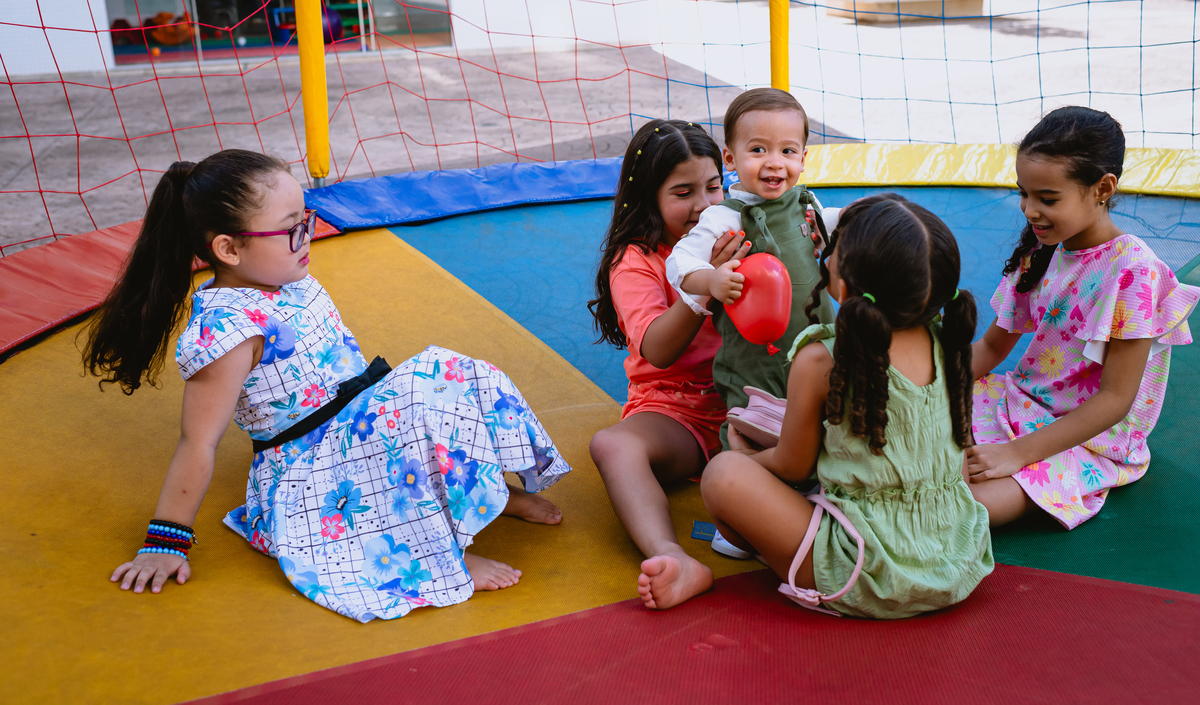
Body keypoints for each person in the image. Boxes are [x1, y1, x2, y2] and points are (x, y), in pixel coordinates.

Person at [85, 149, 571, 623]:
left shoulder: (285, 278)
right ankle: (437, 559)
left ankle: (489, 494)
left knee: (451, 371)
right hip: (310, 470)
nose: (306, 237)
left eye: (307, 221)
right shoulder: (229, 330)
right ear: (229, 249)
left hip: (352, 430)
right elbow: (198, 440)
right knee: (425, 384)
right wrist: (165, 542)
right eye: (291, 229)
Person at [699, 194, 994, 618]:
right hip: (956, 558)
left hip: (864, 571)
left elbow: (793, 467)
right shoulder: (948, 342)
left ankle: (796, 567)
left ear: (843, 284)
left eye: (833, 246)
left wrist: (750, 458)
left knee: (723, 475)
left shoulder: (821, 357)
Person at [967, 107, 1198, 528]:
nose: (1030, 210)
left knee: (967, 505)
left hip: (1088, 440)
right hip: (1020, 402)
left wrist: (1016, 454)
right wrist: (918, 385)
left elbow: (1115, 400)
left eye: (1048, 199)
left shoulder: (1132, 271)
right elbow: (990, 347)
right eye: (1024, 193)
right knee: (911, 428)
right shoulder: (1039, 250)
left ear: (1102, 188)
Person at [588, 120, 750, 610]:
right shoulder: (634, 260)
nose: (703, 204)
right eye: (683, 192)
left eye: (713, 186)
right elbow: (658, 349)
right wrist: (704, 289)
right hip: (675, 411)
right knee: (612, 446)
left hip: (750, 400)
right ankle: (673, 557)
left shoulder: (737, 226)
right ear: (648, 199)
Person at [667, 88, 836, 452]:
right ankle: (744, 481)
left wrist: (849, 225)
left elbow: (828, 227)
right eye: (758, 149)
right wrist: (711, 280)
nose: (774, 162)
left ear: (804, 158)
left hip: (819, 343)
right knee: (756, 429)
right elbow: (678, 262)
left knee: (825, 424)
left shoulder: (805, 202)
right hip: (756, 362)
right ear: (730, 157)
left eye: (787, 151)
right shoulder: (723, 216)